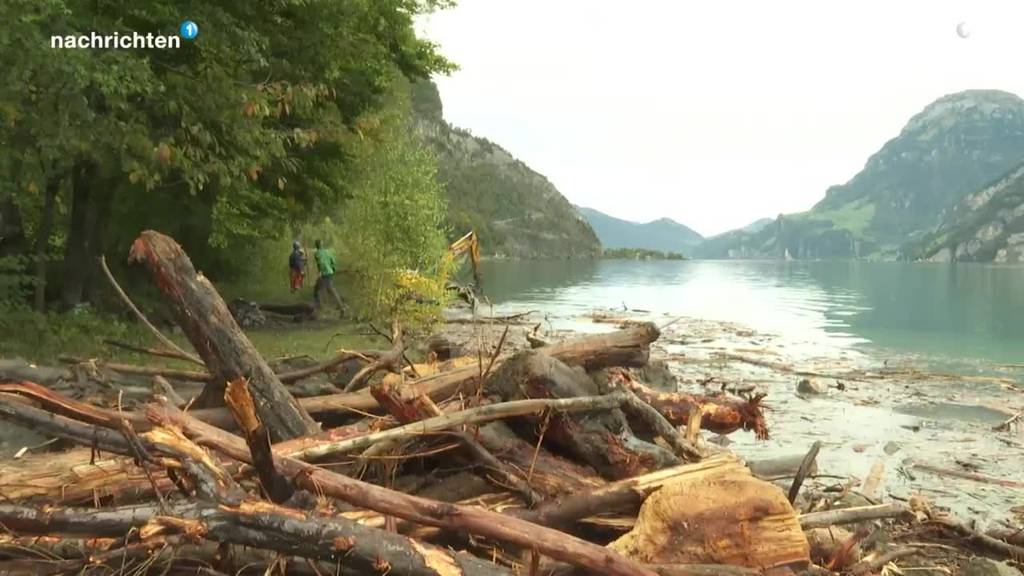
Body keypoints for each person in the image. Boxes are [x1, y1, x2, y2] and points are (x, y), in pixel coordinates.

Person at [313, 239, 344, 316]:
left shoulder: (317, 253)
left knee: (320, 290)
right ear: (322, 245)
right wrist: (333, 269)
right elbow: (333, 261)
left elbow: (319, 263)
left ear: (316, 246)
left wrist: (320, 272)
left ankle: (340, 307)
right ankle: (339, 306)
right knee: (325, 289)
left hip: (324, 273)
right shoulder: (328, 252)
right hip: (330, 272)